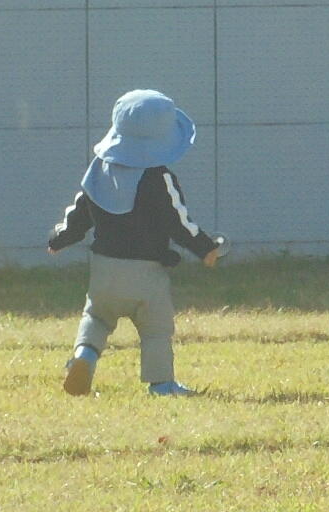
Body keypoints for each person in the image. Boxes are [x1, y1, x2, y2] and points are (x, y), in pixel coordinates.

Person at [47, 89, 223, 397]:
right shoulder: (158, 178)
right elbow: (178, 221)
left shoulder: (98, 172)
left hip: (104, 269)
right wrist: (205, 248)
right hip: (146, 273)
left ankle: (83, 356)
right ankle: (162, 384)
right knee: (155, 329)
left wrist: (60, 239)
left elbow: (78, 213)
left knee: (97, 317)